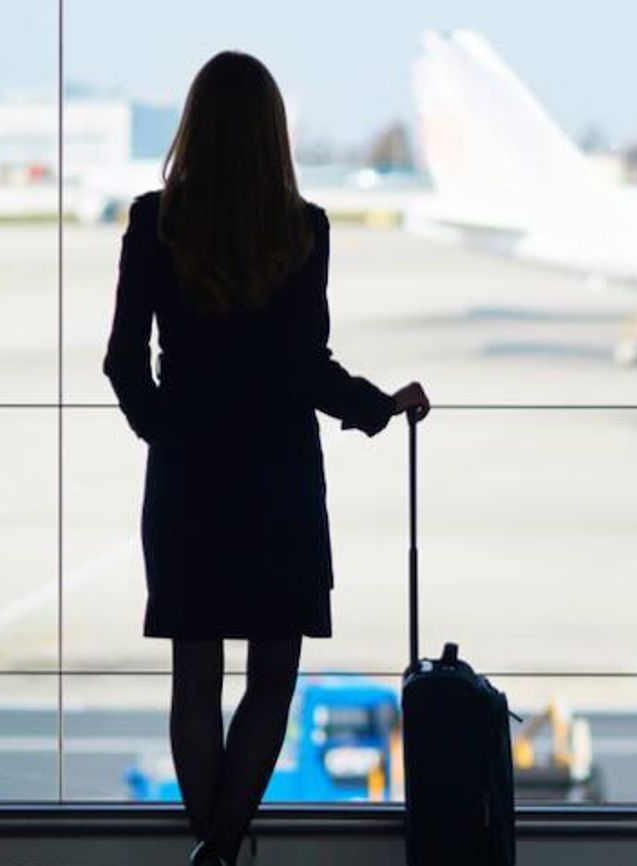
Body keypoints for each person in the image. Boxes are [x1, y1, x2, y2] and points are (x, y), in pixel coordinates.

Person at [103, 51, 430, 866]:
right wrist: (378, 405)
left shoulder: (154, 223)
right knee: (271, 679)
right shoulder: (303, 229)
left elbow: (121, 359)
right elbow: (303, 365)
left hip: (189, 481)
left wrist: (165, 430)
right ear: (272, 134)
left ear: (195, 127)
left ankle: (210, 851)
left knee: (194, 680)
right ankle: (218, 854)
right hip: (278, 480)